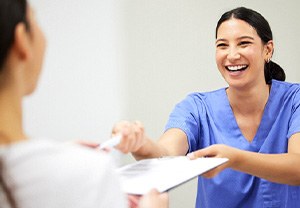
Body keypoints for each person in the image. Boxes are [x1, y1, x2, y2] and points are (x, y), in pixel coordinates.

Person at [112, 7, 300, 208]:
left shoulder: (294, 100)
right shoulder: (196, 108)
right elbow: (165, 154)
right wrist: (140, 143)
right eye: (222, 45)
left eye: (244, 43)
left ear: (267, 50)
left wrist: (235, 158)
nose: (232, 55)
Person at [0, 0, 168, 208]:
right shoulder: (87, 174)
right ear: (22, 40)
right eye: (35, 19)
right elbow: (171, 153)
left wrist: (60, 154)